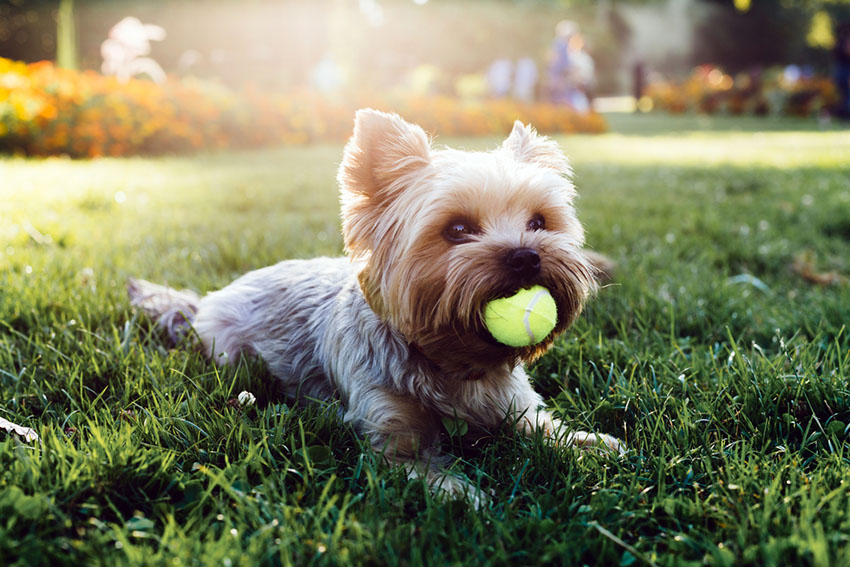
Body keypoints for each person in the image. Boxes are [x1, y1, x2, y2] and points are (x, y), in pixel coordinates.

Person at [833, 22, 850, 119]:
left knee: (845, 95)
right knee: (846, 95)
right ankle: (845, 115)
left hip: (841, 72)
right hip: (844, 73)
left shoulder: (839, 42)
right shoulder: (842, 42)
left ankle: (844, 115)